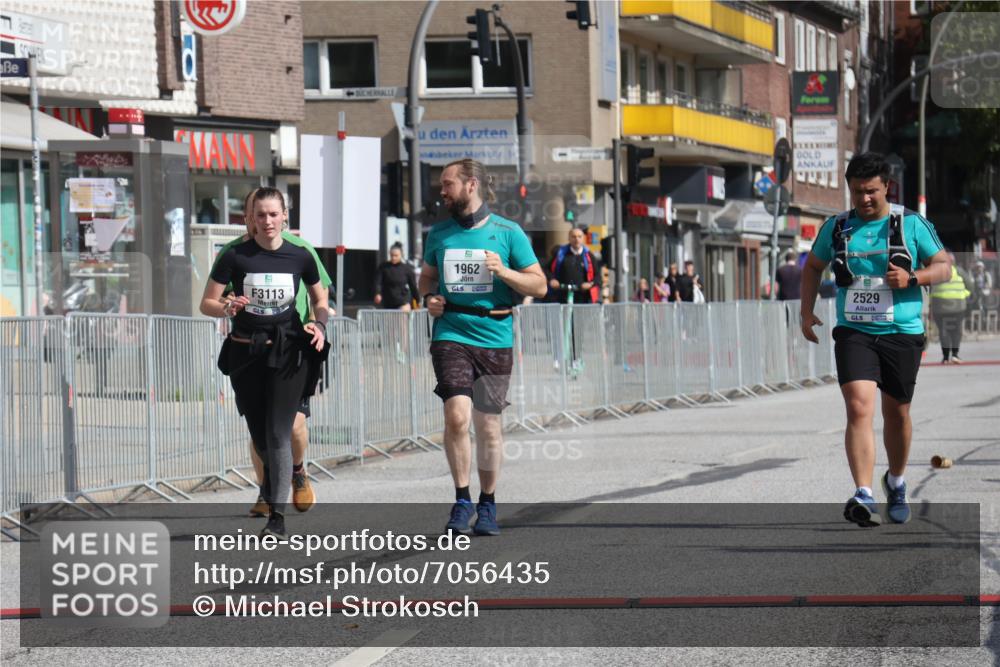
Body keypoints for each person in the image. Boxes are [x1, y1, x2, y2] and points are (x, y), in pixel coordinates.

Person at [799, 152, 950, 527]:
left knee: (896, 413)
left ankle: (895, 482)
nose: (864, 199)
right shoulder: (837, 227)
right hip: (855, 330)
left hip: (902, 332)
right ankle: (863, 492)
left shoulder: (911, 224)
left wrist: (913, 278)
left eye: (871, 192)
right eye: (856, 192)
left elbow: (945, 267)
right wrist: (806, 312)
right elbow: (813, 267)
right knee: (858, 406)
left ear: (887, 187)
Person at [418, 158, 547, 536]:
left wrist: (504, 272)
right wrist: (428, 297)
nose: (442, 191)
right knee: (457, 416)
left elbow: (539, 285)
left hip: (494, 336)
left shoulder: (508, 232)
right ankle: (461, 500)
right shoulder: (438, 234)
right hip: (451, 333)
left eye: (448, 184)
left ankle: (487, 503)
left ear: (470, 185)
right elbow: (426, 277)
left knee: (488, 425)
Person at [201, 187, 330, 539]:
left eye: (274, 214)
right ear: (251, 218)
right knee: (260, 437)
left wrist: (319, 325)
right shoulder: (236, 256)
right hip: (246, 353)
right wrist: (227, 306)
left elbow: (321, 298)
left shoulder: (300, 255)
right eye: (261, 215)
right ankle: (275, 490)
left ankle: (277, 518)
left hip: (289, 353)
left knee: (279, 433)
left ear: (285, 216)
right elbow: (206, 303)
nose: (268, 221)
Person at [929, 253, 971, 363]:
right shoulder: (959, 271)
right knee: (956, 331)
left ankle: (946, 357)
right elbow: (970, 285)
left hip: (939, 306)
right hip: (958, 306)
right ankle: (955, 355)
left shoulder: (936, 272)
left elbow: (930, 287)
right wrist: (964, 294)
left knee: (944, 331)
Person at [549, 227, 601, 304]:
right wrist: (552, 279)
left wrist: (590, 284)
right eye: (573, 236)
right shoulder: (560, 254)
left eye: (579, 237)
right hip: (561, 297)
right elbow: (547, 269)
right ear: (569, 238)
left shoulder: (589, 256)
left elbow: (598, 277)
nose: (577, 239)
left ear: (583, 238)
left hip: (583, 299)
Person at [375, 243, 419, 311]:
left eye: (396, 256)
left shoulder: (407, 269)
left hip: (403, 301)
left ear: (401, 255)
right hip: (387, 301)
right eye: (392, 255)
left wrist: (417, 300)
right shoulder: (383, 267)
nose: (393, 258)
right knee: (389, 321)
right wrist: (378, 293)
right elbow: (378, 282)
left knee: (401, 320)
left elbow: (413, 286)